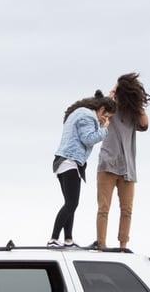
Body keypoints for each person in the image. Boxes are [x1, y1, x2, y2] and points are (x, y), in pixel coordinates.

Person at [48, 90, 116, 248]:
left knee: (70, 203)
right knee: (72, 203)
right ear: (101, 109)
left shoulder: (80, 112)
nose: (106, 120)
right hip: (70, 162)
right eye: (106, 116)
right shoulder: (88, 116)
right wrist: (104, 129)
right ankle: (53, 238)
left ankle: (68, 239)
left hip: (64, 162)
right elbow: (88, 139)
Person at [94, 73, 150, 249]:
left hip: (127, 167)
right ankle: (101, 244)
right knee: (104, 208)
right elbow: (101, 109)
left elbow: (145, 125)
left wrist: (138, 103)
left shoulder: (133, 112)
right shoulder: (111, 109)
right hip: (108, 164)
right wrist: (114, 89)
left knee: (127, 210)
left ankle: (123, 246)